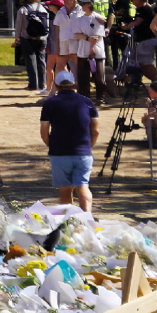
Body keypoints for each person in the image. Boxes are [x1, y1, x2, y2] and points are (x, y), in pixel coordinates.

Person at [40, 71, 97, 212]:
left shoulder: (50, 103)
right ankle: (87, 217)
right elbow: (95, 130)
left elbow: (44, 130)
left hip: (59, 153)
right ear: (74, 85)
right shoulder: (87, 102)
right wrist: (89, 146)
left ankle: (69, 221)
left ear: (56, 85)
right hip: (83, 152)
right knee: (83, 186)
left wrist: (51, 145)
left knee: (65, 190)